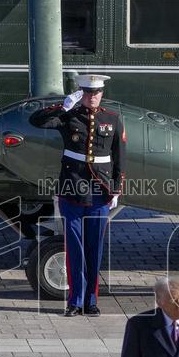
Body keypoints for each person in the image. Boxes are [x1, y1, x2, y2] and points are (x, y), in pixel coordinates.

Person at [29, 74, 125, 317]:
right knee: (74, 249)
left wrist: (115, 188)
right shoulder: (68, 116)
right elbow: (36, 121)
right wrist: (63, 105)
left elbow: (119, 157)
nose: (92, 97)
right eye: (88, 92)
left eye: (96, 92)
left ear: (102, 93)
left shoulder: (112, 119)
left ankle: (91, 301)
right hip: (71, 189)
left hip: (100, 191)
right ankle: (75, 300)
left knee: (94, 249)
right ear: (81, 93)